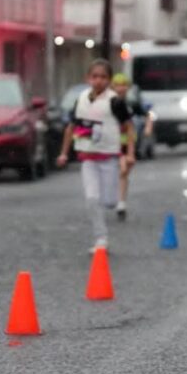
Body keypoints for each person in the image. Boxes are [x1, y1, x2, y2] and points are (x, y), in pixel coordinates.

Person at [56, 59, 133, 253]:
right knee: (91, 199)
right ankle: (101, 238)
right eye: (95, 76)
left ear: (109, 80)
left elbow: (129, 127)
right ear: (88, 78)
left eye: (103, 77)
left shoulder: (115, 101)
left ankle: (113, 203)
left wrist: (130, 153)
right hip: (88, 158)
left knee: (109, 202)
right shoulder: (81, 99)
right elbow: (71, 127)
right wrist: (64, 153)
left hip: (109, 158)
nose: (98, 80)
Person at [110, 73, 138, 220]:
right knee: (121, 170)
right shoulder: (110, 103)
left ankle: (121, 202)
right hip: (112, 144)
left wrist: (148, 125)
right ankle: (116, 200)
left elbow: (146, 114)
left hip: (128, 143)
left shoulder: (131, 104)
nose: (121, 88)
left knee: (124, 172)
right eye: (117, 85)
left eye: (124, 85)